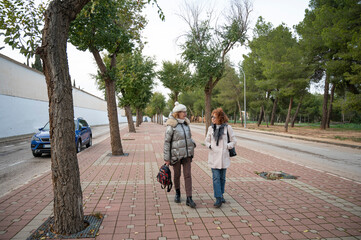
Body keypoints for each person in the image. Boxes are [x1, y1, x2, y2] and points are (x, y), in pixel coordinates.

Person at [164, 102, 197, 208]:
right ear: (177, 113)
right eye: (183, 112)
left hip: (187, 155)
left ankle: (189, 198)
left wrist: (192, 143)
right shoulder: (171, 126)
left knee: (188, 175)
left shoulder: (186, 124)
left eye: (185, 111)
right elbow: (167, 142)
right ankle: (178, 193)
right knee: (177, 175)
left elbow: (189, 138)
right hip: (176, 156)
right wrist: (167, 158)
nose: (185, 113)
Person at [205, 108, 237, 208]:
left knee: (222, 178)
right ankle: (218, 198)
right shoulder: (211, 128)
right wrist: (210, 146)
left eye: (214, 117)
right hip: (214, 157)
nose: (212, 119)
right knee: (216, 178)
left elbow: (234, 141)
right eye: (212, 117)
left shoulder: (228, 128)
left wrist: (227, 147)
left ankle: (221, 195)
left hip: (223, 157)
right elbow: (206, 141)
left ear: (220, 117)